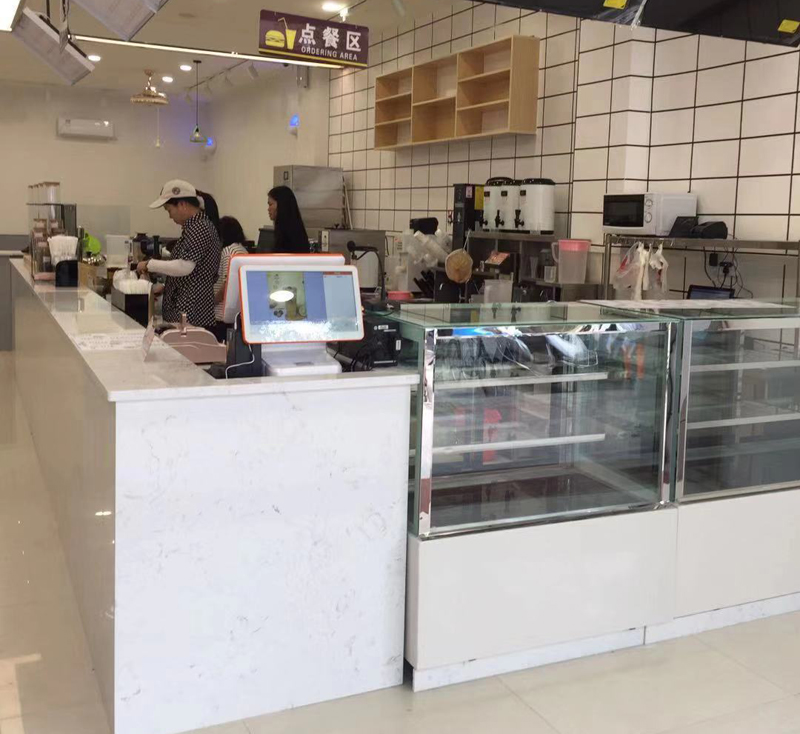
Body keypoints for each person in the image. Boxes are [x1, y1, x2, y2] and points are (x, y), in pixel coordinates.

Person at [138, 180, 221, 328]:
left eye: (169, 210)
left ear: (182, 204)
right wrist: (166, 287)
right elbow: (192, 274)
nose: (170, 217)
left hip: (191, 314)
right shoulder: (193, 228)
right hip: (185, 312)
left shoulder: (200, 228)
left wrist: (149, 264)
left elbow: (185, 267)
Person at [212, 215, 249, 337]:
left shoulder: (228, 252)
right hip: (237, 313)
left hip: (221, 314)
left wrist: (209, 302)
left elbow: (227, 285)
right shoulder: (243, 251)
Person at [268, 185, 310, 253]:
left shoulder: (290, 234)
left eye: (270, 204)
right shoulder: (287, 228)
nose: (268, 209)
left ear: (281, 205)